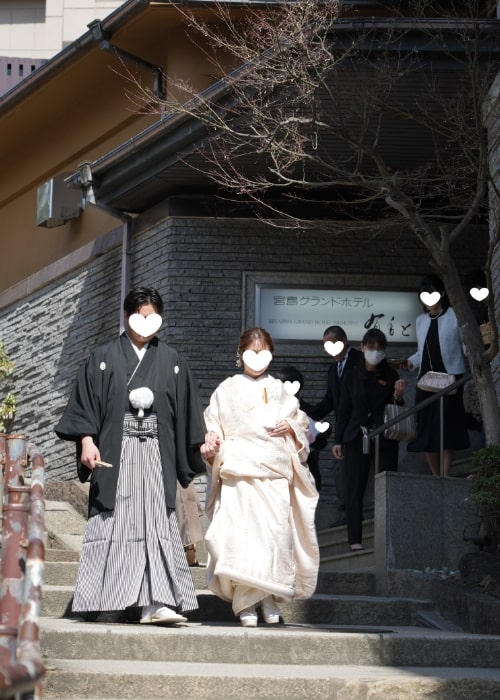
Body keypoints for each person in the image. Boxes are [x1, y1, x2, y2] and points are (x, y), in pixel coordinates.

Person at [55, 286, 207, 625]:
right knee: (116, 521)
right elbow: (86, 405)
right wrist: (86, 441)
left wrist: (200, 444)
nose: (146, 322)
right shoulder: (103, 357)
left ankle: (156, 602)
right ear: (126, 316)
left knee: (156, 522)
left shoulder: (172, 360)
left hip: (156, 452)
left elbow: (187, 412)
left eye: (153, 316)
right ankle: (108, 599)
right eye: (140, 315)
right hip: (116, 452)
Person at [200, 327, 319, 628]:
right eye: (251, 350)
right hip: (240, 470)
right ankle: (247, 602)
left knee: (274, 537)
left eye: (264, 350)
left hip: (274, 471)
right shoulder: (226, 389)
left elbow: (301, 423)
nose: (257, 357)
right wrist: (212, 441)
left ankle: (268, 596)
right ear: (240, 354)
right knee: (243, 537)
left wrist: (290, 427)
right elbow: (214, 425)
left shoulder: (280, 388)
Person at [333, 328, 406, 551]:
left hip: (383, 436)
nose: (375, 351)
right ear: (363, 347)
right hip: (355, 436)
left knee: (386, 487)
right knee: (354, 488)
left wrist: (399, 397)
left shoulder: (391, 375)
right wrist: (338, 440)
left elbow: (396, 410)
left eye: (380, 348)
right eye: (371, 347)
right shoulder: (351, 374)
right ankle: (355, 540)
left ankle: (387, 539)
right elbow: (344, 409)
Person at [406, 274, 469, 476]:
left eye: (432, 293)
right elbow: (421, 352)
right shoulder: (420, 321)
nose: (428, 298)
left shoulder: (455, 315)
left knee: (447, 428)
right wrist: (409, 363)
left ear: (441, 293)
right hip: (425, 381)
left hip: (450, 379)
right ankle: (436, 476)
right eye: (424, 294)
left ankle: (445, 475)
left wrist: (479, 357)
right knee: (425, 430)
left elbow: (465, 345)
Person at [309, 326, 363, 527]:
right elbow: (330, 400)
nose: (330, 349)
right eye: (326, 346)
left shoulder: (360, 360)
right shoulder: (333, 369)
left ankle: (354, 513)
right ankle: (348, 512)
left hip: (360, 427)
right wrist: (305, 416)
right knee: (342, 471)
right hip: (343, 429)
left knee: (350, 472)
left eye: (333, 343)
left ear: (345, 340)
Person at [274, 365, 331, 491]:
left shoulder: (309, 411)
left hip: (306, 472)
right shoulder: (271, 410)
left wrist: (320, 434)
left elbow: (320, 444)